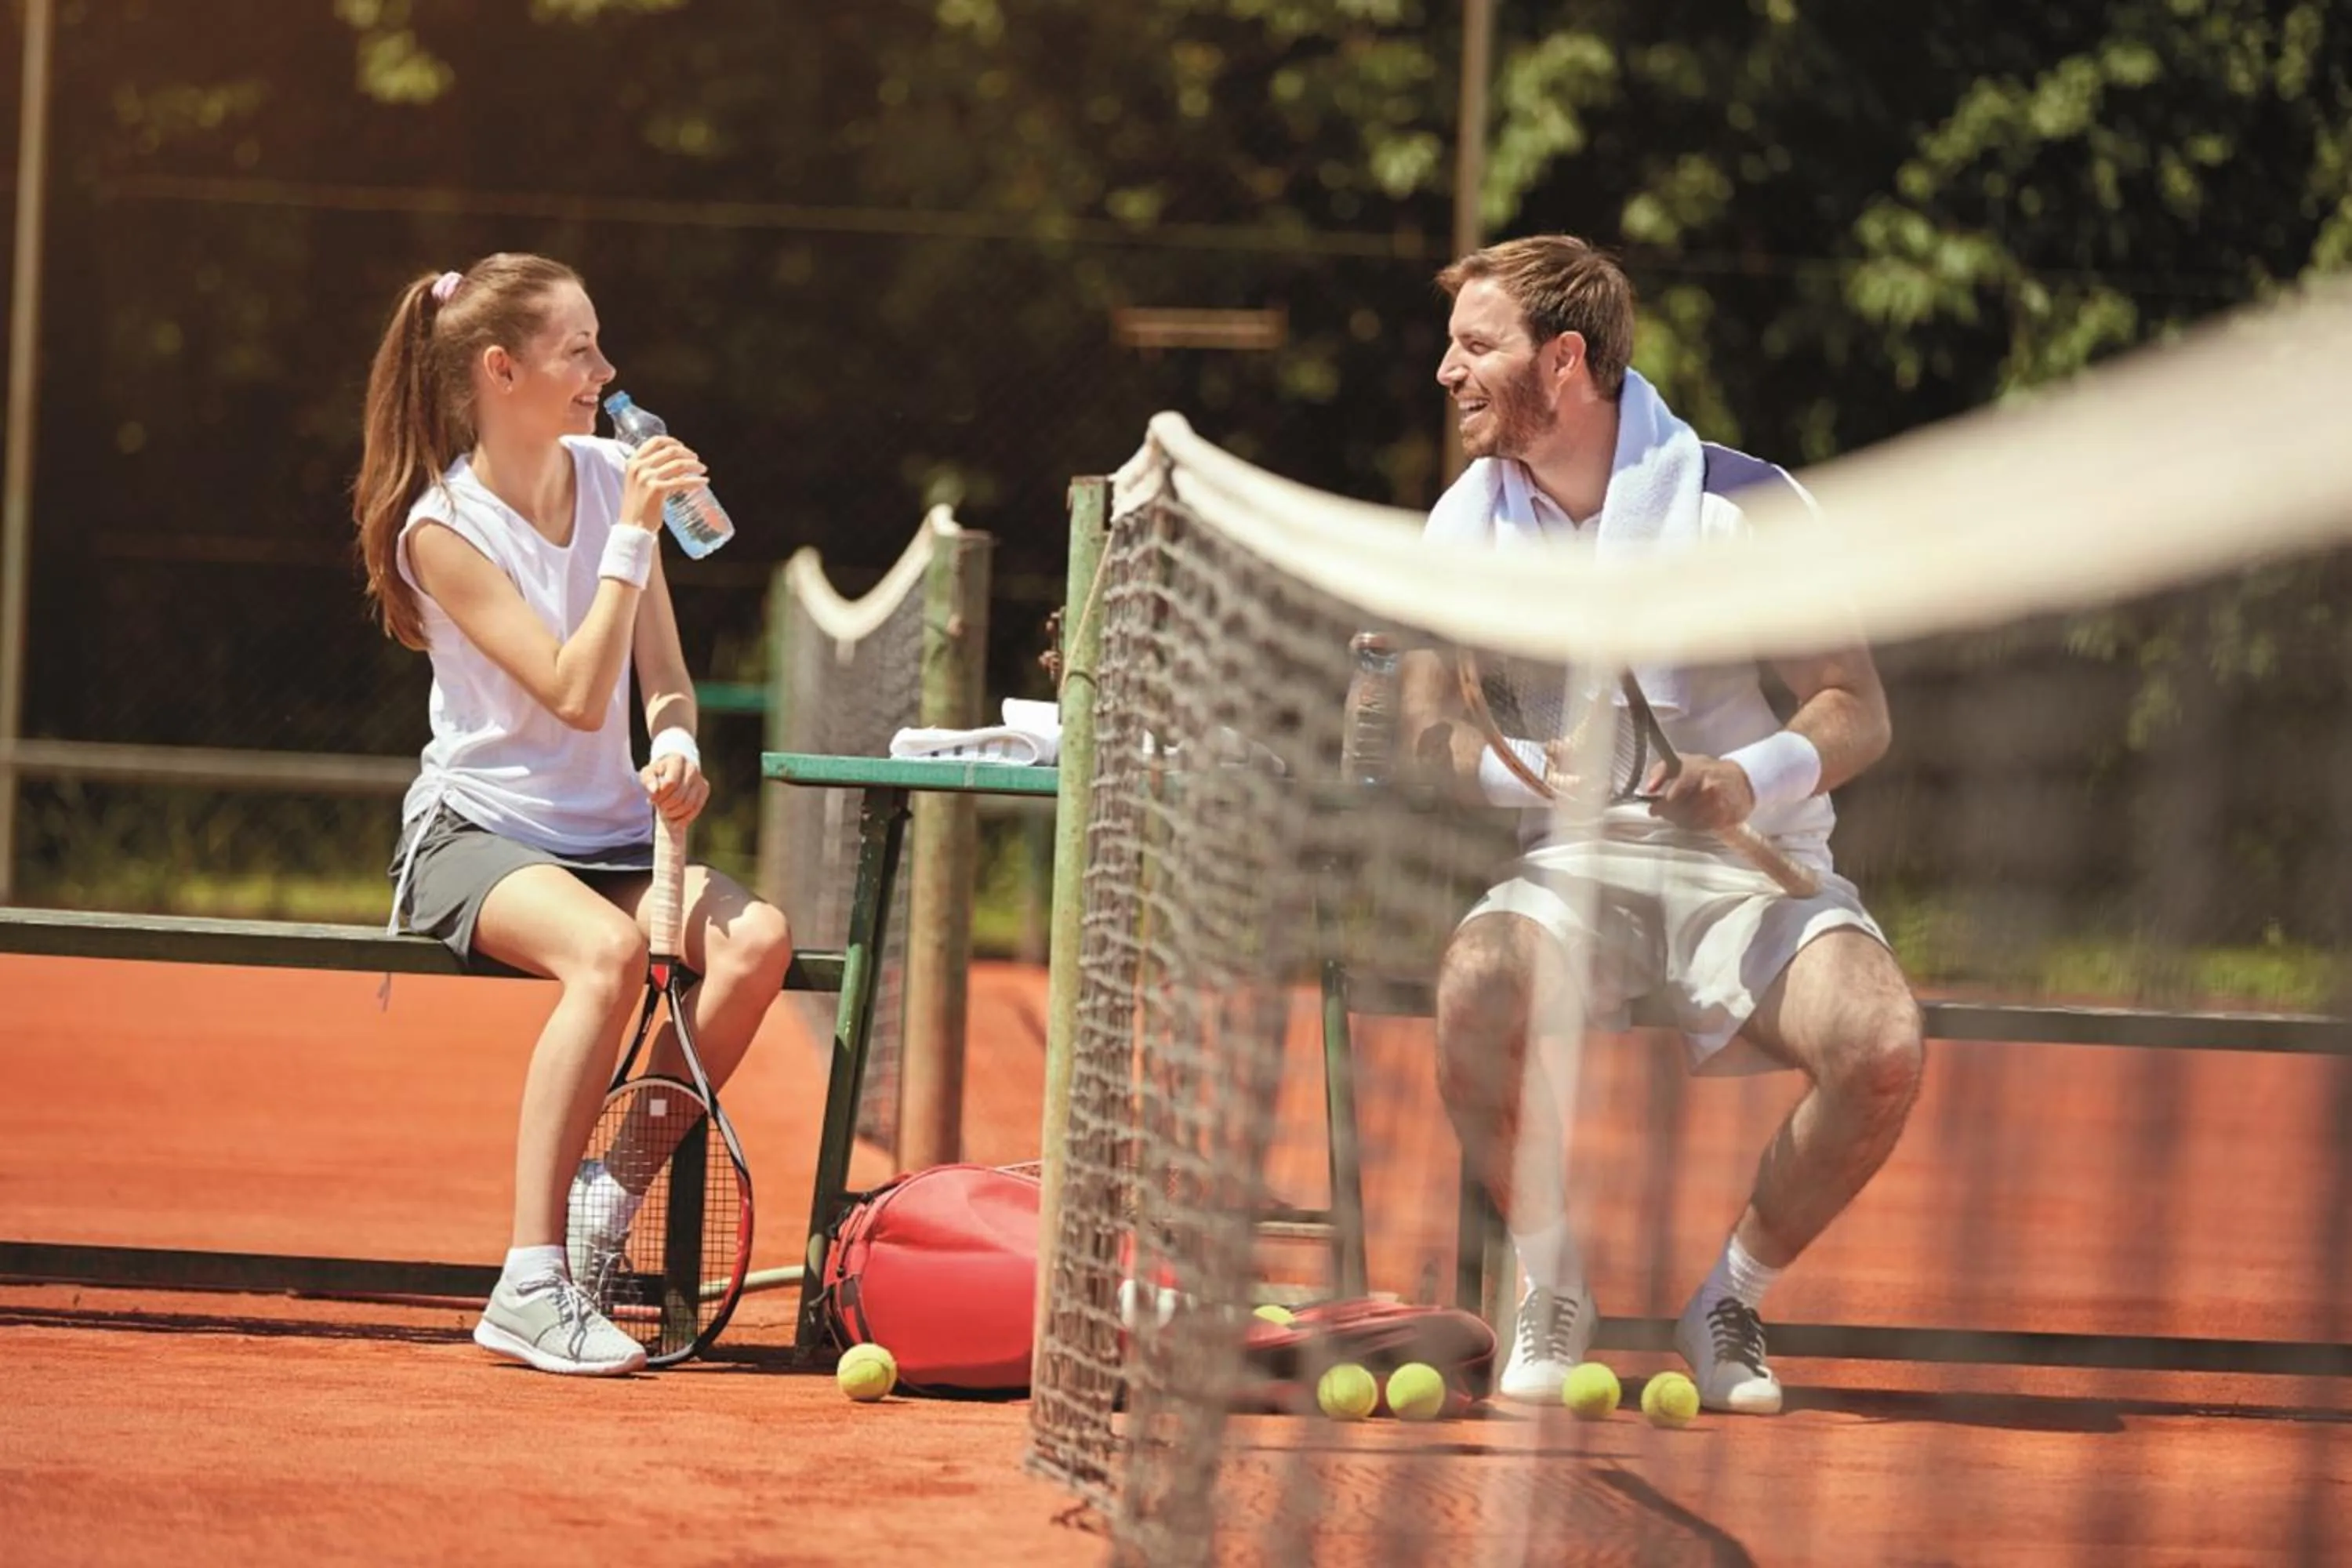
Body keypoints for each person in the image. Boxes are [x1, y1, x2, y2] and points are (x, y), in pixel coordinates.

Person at [1399, 234, 1925, 1414]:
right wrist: (1543, 775)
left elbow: (1858, 711)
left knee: (1882, 1047)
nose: (1447, 370)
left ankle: (1730, 1296)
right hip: (1572, 872)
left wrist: (1742, 778)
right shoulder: (1462, 525)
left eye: (1476, 345)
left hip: (1758, 872)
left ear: (1565, 361)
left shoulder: (1742, 504)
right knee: (1472, 990)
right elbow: (1424, 728)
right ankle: (1554, 1280)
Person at [353, 253, 794, 1376]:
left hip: (609, 836)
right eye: (578, 351)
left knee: (757, 942)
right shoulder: (439, 528)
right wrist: (635, 533)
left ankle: (609, 1196)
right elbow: (570, 687)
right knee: (605, 956)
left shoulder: (608, 477)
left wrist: (682, 746)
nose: (605, 369)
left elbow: (661, 683)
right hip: (473, 838)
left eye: (599, 345)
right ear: (502, 370)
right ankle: (529, 1281)